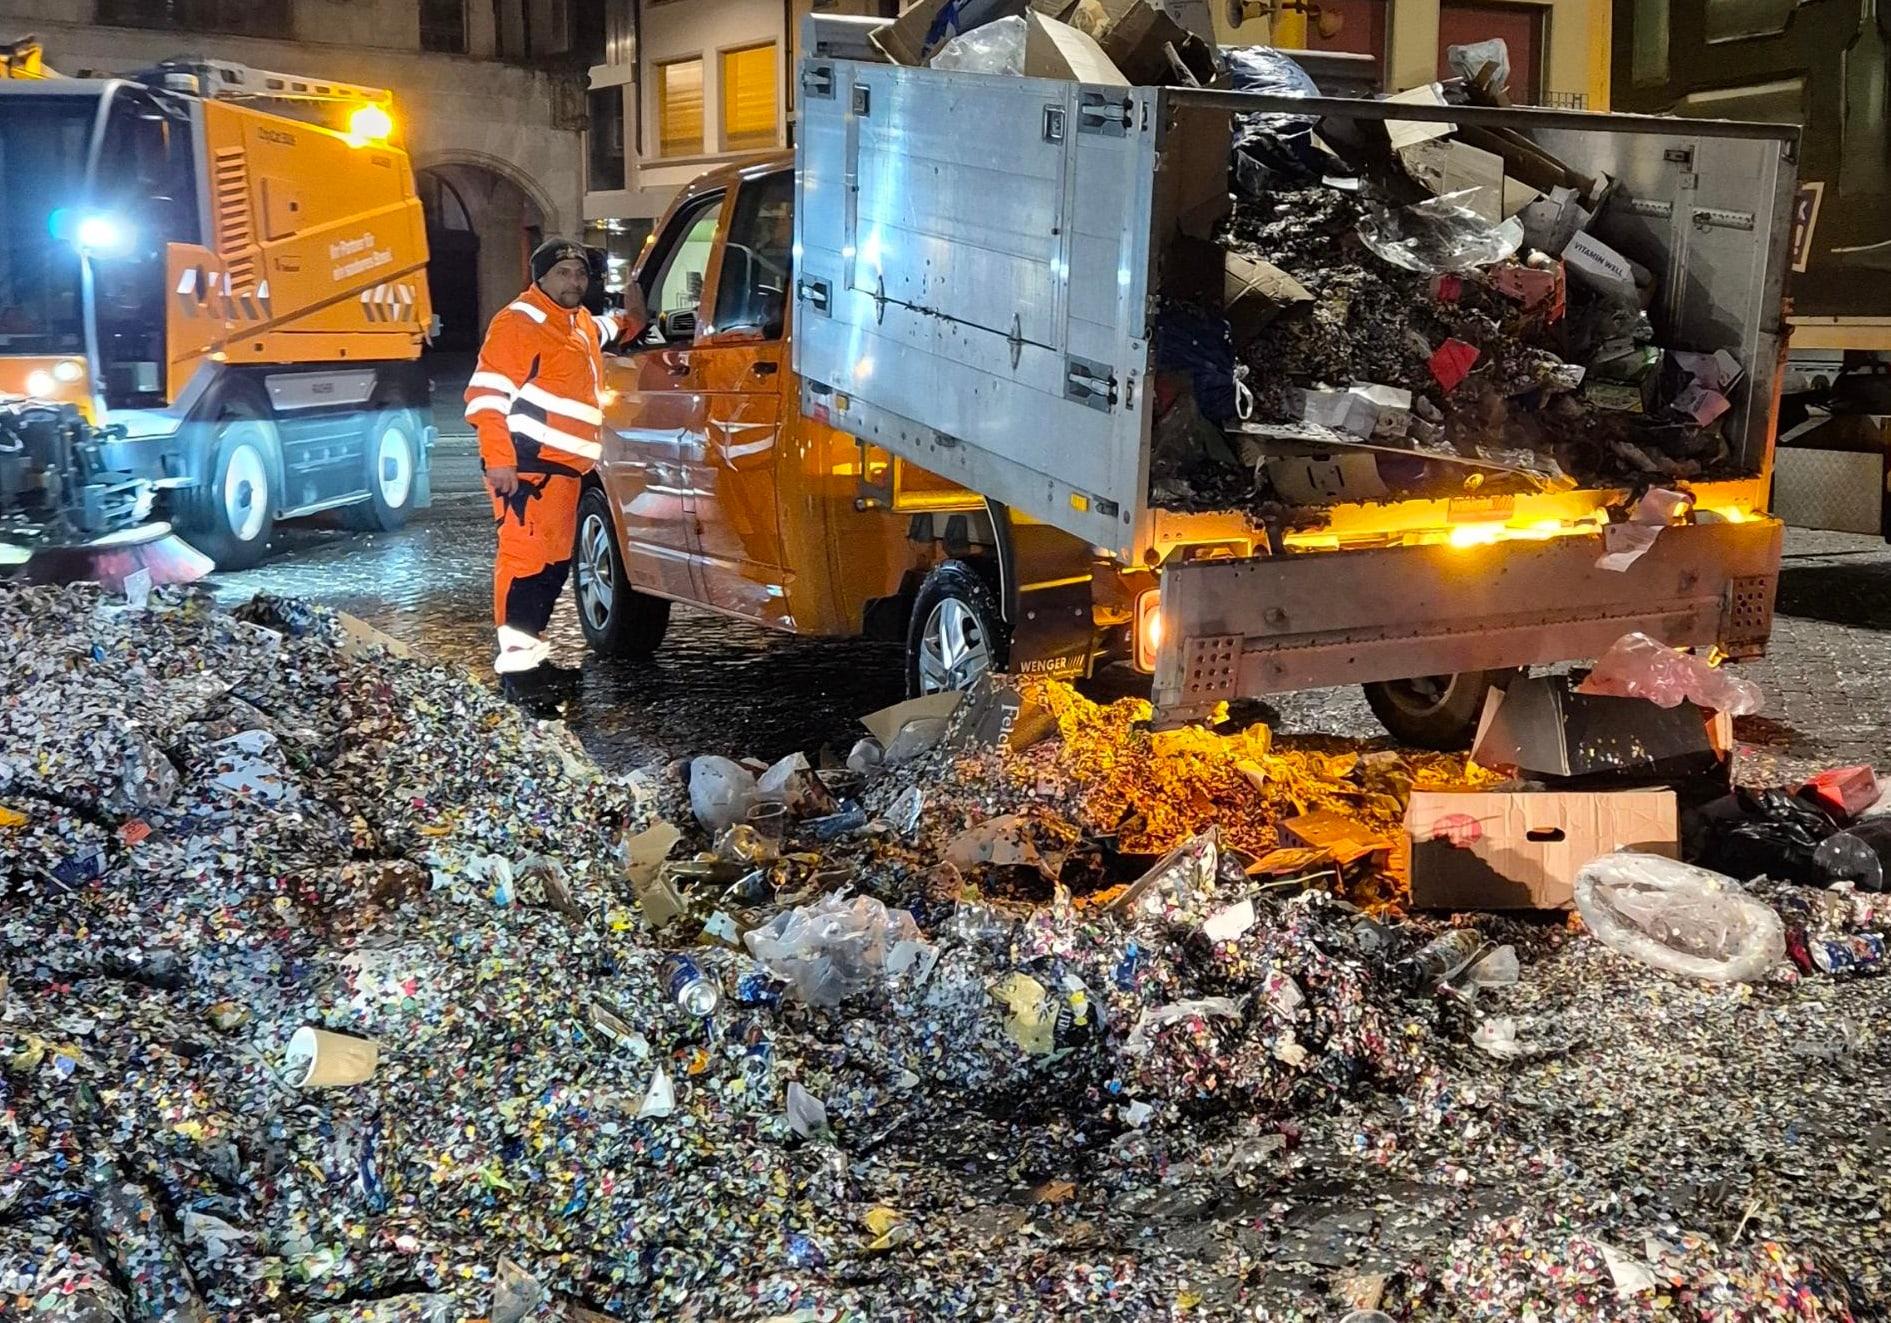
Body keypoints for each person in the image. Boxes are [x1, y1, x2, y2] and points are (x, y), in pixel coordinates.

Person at [464, 237, 646, 712]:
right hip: (526, 473)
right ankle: (518, 675)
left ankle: (531, 661)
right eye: (563, 273)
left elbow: (608, 330)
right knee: (526, 569)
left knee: (550, 570)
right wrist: (499, 460)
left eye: (580, 275)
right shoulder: (518, 323)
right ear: (539, 277)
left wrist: (633, 318)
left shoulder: (578, 321)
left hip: (562, 473)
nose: (574, 282)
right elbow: (485, 399)